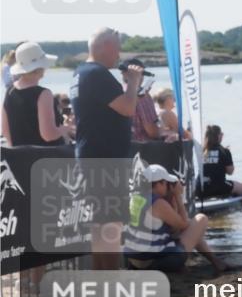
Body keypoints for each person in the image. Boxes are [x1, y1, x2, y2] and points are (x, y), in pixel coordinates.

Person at [71, 28, 143, 270]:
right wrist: (133, 82)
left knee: (100, 223)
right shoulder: (97, 74)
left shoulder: (81, 72)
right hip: (105, 158)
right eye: (117, 48)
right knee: (110, 223)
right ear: (105, 47)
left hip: (92, 155)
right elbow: (128, 108)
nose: (119, 54)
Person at [124, 164, 226, 273]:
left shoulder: (135, 197)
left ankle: (215, 260)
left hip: (134, 260)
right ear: (158, 184)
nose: (168, 186)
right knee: (201, 219)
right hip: (153, 263)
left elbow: (172, 229)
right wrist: (178, 196)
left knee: (190, 227)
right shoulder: (158, 204)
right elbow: (183, 225)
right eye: (166, 183)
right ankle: (216, 262)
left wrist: (172, 200)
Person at [1, 42, 73, 146]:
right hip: (45, 154)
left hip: (19, 154)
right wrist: (65, 129)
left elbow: (5, 131)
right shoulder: (43, 94)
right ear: (39, 68)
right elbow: (48, 135)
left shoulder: (10, 91)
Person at [201, 124, 242, 204]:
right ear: (218, 136)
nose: (222, 135)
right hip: (218, 186)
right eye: (221, 134)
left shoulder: (202, 151)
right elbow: (230, 172)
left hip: (201, 187)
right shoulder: (224, 151)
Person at [127, 58, 161, 143]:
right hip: (144, 146)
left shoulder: (119, 94)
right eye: (142, 73)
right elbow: (152, 132)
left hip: (127, 145)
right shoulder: (142, 95)